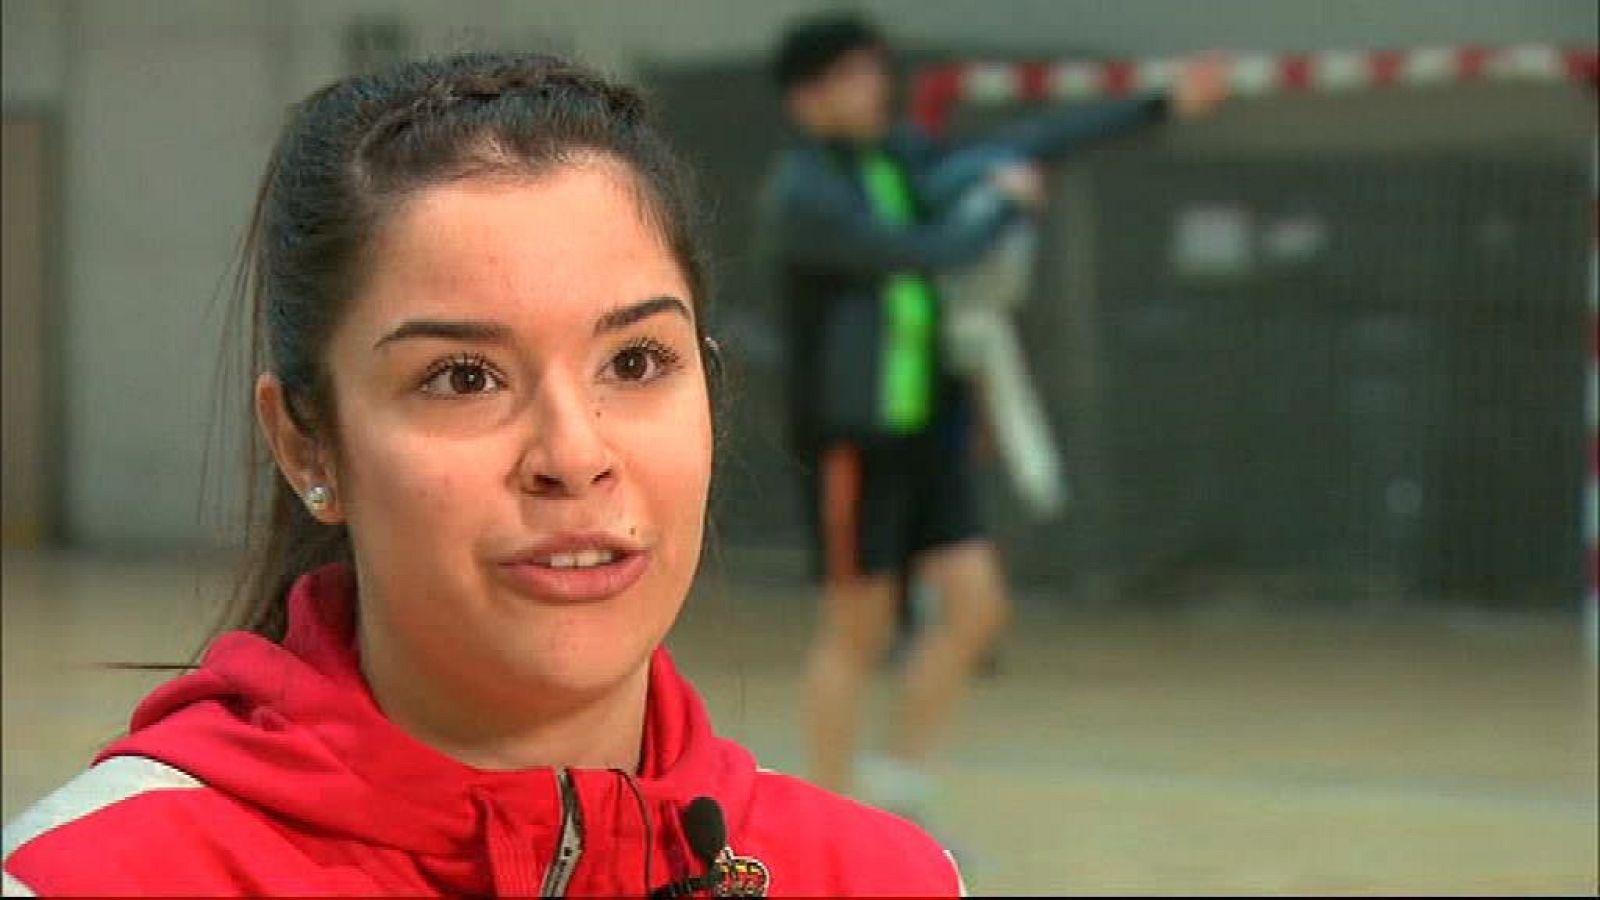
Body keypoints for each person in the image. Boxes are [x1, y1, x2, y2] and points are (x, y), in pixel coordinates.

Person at [1, 52, 965, 897]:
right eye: (462, 378)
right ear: (308, 444)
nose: (574, 456)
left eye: (634, 362)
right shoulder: (89, 878)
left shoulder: (885, 879)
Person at [762, 12, 1228, 827]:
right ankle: (822, 828)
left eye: (876, 71)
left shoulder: (900, 161)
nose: (874, 88)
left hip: (928, 435)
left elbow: (1027, 144)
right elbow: (928, 250)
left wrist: (1157, 106)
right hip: (858, 443)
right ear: (809, 99)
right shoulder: (807, 194)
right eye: (852, 77)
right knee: (857, 632)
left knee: (976, 607)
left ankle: (898, 799)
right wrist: (1001, 211)